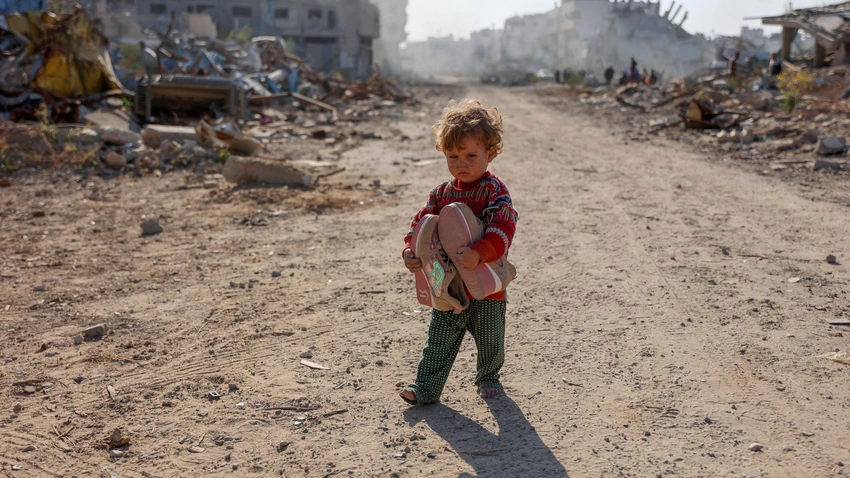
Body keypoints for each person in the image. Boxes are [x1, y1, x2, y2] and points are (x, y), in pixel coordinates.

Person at [400, 99, 518, 406]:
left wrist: (481, 252)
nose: (461, 163)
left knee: (490, 338)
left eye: (470, 156)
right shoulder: (441, 194)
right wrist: (410, 252)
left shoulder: (493, 191)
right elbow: (421, 226)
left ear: (490, 153)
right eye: (453, 156)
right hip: (446, 283)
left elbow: (504, 225)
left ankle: (488, 376)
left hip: (484, 281)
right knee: (438, 340)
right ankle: (425, 386)